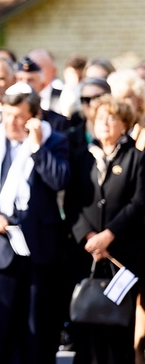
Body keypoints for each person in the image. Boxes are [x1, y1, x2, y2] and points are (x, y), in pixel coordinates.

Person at [0, 83, 70, 364]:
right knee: (0, 330)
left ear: (34, 116)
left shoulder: (54, 141)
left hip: (38, 249)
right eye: (6, 115)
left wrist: (37, 147)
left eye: (18, 116)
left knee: (37, 331)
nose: (11, 122)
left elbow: (60, 180)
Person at [65, 95, 145, 363]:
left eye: (112, 118)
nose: (105, 123)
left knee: (117, 328)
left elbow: (139, 203)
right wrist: (88, 238)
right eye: (100, 118)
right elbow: (72, 203)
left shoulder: (137, 158)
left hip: (121, 255)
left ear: (125, 124)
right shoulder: (81, 158)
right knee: (85, 329)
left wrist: (108, 235)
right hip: (86, 254)